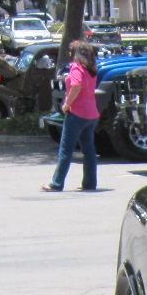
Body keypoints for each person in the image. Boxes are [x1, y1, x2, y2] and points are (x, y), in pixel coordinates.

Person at [44, 40, 100, 192]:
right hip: (91, 113)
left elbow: (76, 85)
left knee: (66, 149)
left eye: (71, 51)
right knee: (89, 150)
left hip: (77, 112)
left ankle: (56, 183)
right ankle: (90, 183)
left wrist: (67, 104)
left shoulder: (76, 67)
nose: (69, 54)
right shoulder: (91, 69)